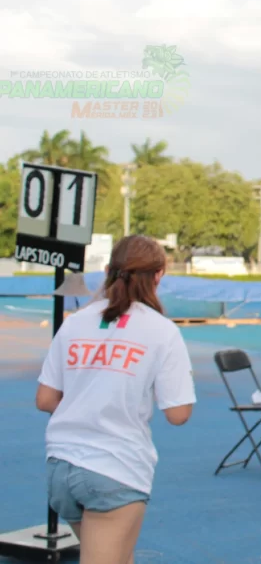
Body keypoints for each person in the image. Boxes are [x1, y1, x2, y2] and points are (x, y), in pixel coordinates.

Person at [36, 235, 196, 564]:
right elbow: (178, 413)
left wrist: (87, 405)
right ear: (159, 275)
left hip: (61, 466)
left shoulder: (75, 322)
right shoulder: (161, 330)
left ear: (108, 270)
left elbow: (45, 398)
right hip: (115, 469)